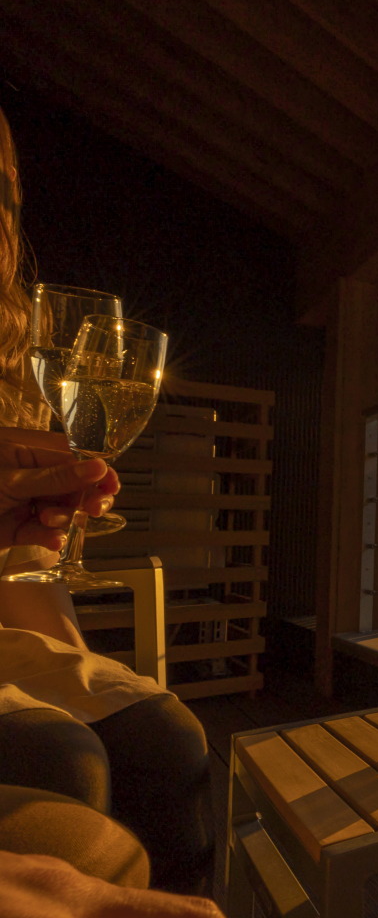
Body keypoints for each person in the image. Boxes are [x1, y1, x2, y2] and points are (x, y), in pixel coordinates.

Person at [0, 104, 219, 914]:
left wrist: (87, 672)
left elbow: (20, 560)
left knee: (165, 732)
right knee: (63, 759)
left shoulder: (13, 365)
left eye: (5, 193)